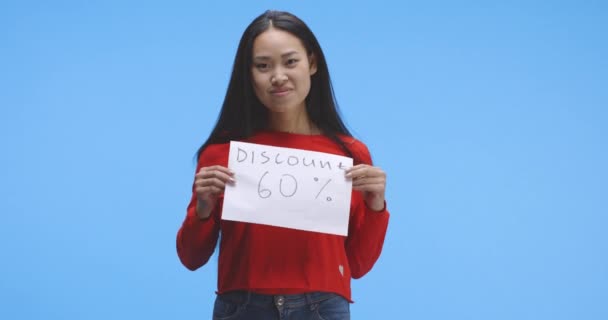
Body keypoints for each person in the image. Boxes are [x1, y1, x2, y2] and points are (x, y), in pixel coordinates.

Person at [176, 10, 389, 320]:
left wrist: (375, 206)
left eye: (290, 62)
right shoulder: (222, 154)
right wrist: (203, 209)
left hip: (323, 308)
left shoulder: (349, 155)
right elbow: (191, 257)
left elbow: (358, 265)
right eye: (263, 66)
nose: (278, 76)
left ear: (312, 63)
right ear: (248, 74)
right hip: (242, 307)